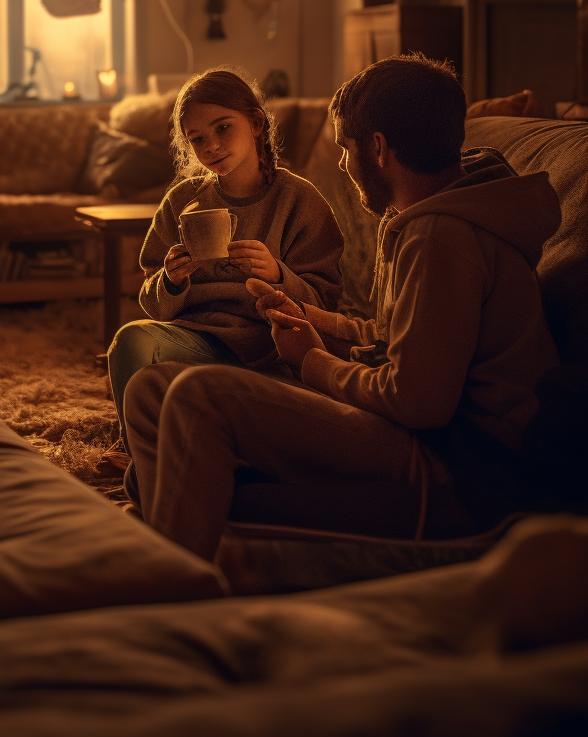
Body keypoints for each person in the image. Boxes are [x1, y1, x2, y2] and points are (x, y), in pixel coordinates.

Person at [122, 55, 561, 559]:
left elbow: (418, 400)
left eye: (345, 148)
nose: (343, 164)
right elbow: (406, 338)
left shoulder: (441, 236)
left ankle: (171, 580)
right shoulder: (434, 215)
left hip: (461, 465)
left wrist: (313, 362)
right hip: (428, 438)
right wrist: (311, 319)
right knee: (153, 391)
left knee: (199, 396)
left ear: (377, 148)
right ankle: (179, 535)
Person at [103, 68, 344, 467]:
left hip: (270, 352)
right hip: (196, 343)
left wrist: (278, 274)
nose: (211, 146)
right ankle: (140, 454)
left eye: (223, 128)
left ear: (255, 122)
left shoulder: (300, 201)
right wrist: (171, 280)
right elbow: (151, 299)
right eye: (197, 139)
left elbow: (327, 306)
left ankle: (184, 438)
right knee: (130, 341)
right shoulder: (182, 200)